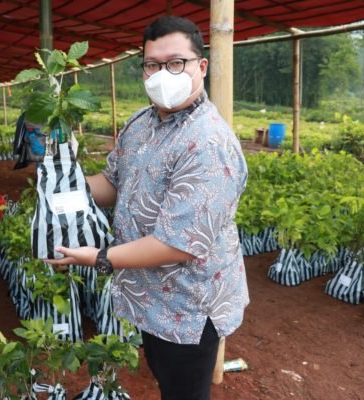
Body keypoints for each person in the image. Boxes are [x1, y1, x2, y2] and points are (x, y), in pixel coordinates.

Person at [46, 15, 248, 400]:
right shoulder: (141, 122)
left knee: (184, 392)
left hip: (188, 306)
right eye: (152, 65)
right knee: (164, 378)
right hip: (151, 300)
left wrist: (98, 257)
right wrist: (60, 185)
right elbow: (112, 184)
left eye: (175, 63)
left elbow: (179, 244)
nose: (161, 74)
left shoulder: (207, 142)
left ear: (200, 67)